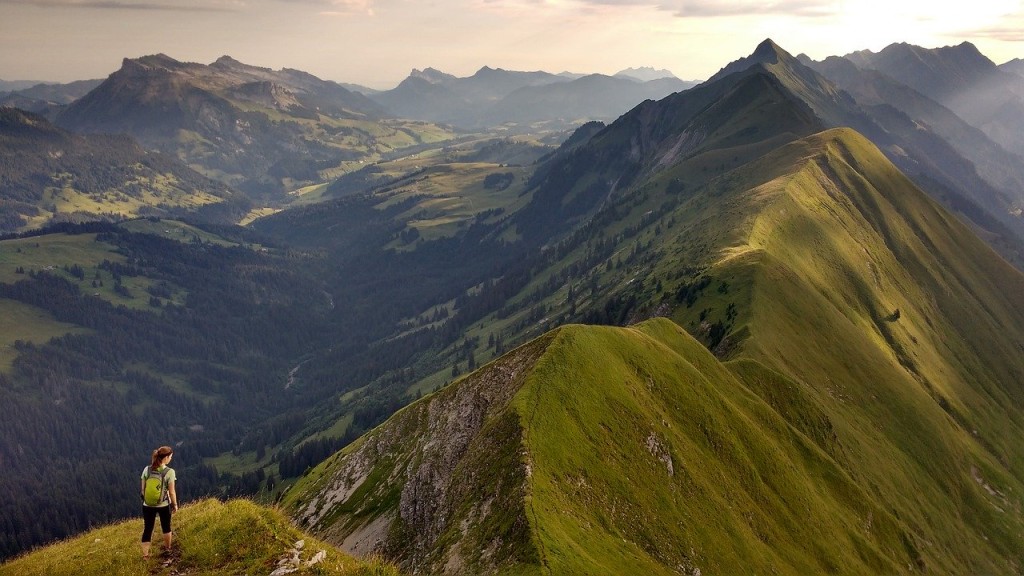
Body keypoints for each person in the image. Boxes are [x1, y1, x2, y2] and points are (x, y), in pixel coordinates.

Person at [140, 445, 178, 560]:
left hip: (147, 505)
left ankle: (145, 555)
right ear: (166, 457)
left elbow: (142, 488)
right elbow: (172, 492)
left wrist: (146, 499)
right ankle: (167, 549)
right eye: (170, 457)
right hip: (163, 504)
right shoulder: (169, 472)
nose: (171, 459)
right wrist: (174, 505)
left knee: (148, 529)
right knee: (166, 527)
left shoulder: (147, 469)